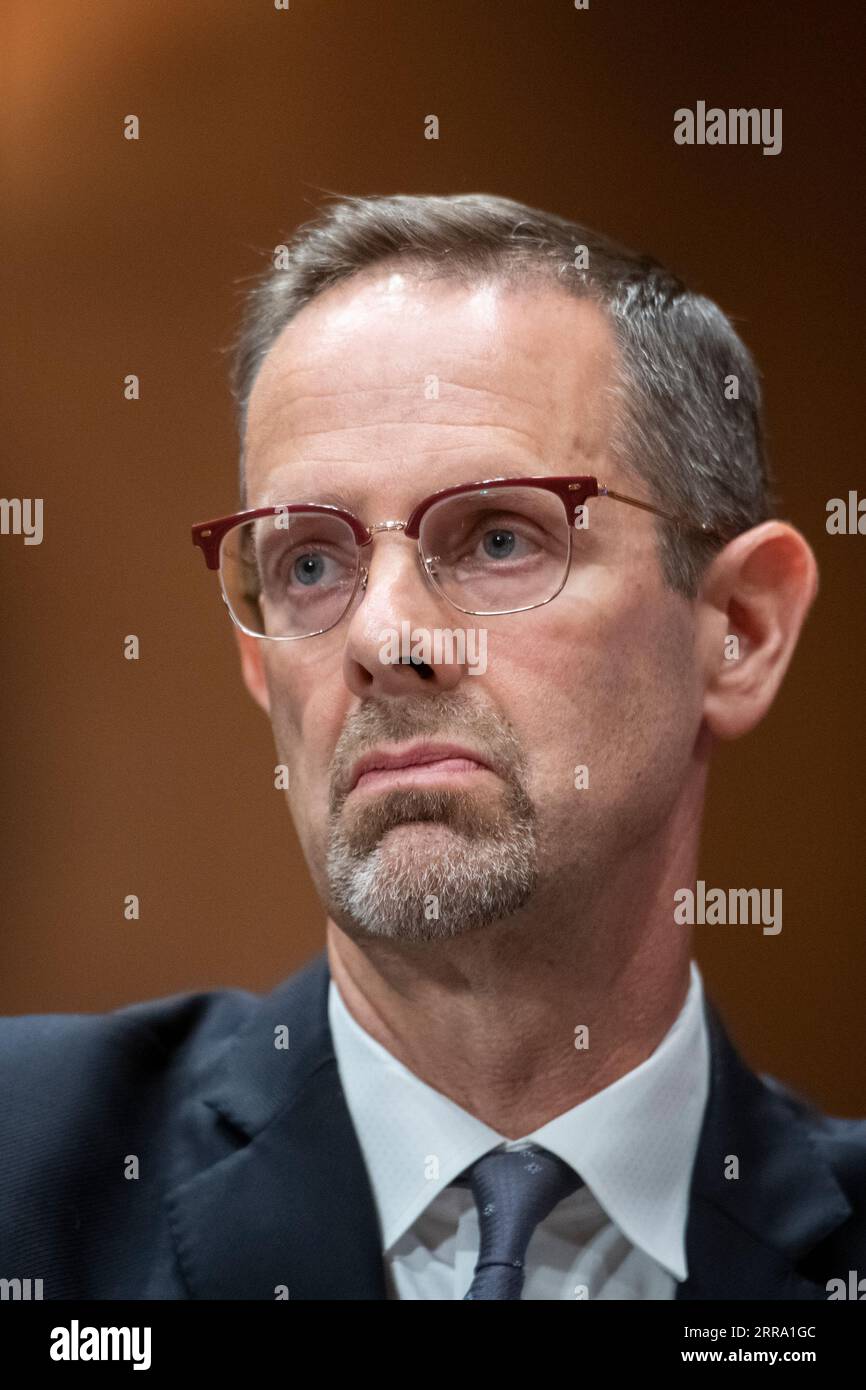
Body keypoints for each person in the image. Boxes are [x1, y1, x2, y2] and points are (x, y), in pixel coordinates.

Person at [2, 193, 863, 1301]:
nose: (381, 637)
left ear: (737, 628)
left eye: (498, 538)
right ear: (260, 659)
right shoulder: (31, 1179)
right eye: (309, 563)